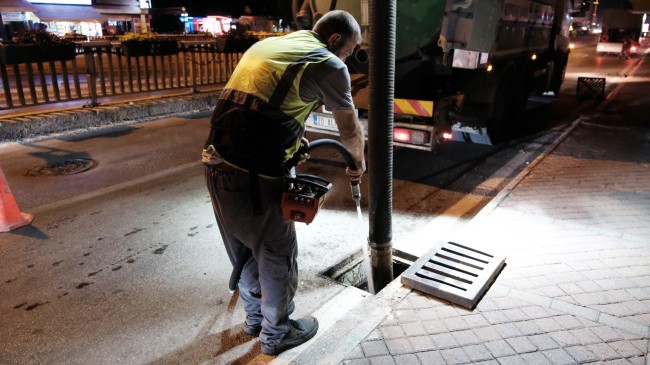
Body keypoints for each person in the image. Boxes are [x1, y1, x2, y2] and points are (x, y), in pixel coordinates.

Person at [202, 10, 366, 356]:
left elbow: (264, 106)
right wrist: (358, 165)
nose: (347, 61)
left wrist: (293, 142)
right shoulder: (329, 64)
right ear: (334, 40)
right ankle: (276, 334)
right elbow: (350, 131)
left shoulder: (271, 46)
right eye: (349, 52)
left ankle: (255, 320)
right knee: (277, 253)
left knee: (245, 250)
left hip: (216, 164)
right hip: (255, 176)